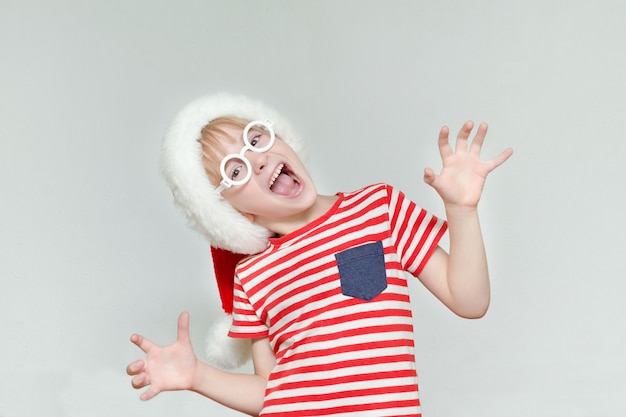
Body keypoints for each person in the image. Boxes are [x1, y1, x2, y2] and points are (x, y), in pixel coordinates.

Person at [126, 93, 513, 416]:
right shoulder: (252, 276)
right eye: (236, 171)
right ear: (234, 211)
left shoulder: (378, 209)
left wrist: (462, 211)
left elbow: (470, 300)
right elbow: (269, 389)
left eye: (255, 140)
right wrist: (198, 377)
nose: (257, 160)